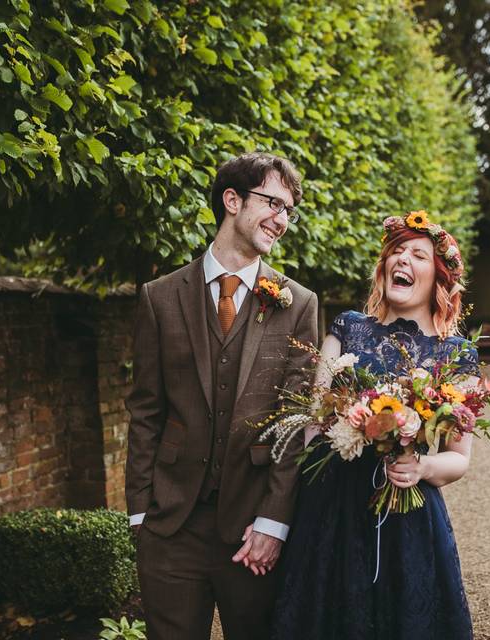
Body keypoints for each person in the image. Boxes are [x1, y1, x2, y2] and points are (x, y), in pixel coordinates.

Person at [125, 152, 319, 640]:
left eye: (290, 211)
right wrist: (140, 513)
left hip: (252, 528)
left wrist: (274, 522)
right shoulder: (160, 296)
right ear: (232, 200)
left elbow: (294, 423)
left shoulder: (298, 304)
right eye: (274, 203)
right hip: (171, 525)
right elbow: (146, 410)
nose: (283, 220)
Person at [272, 211, 479, 640]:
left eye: (418, 255)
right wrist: (346, 427)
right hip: (333, 509)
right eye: (396, 252)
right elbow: (313, 421)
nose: (402, 260)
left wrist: (422, 468)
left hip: (407, 519)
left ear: (438, 279)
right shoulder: (347, 329)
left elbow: (458, 460)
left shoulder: (456, 356)